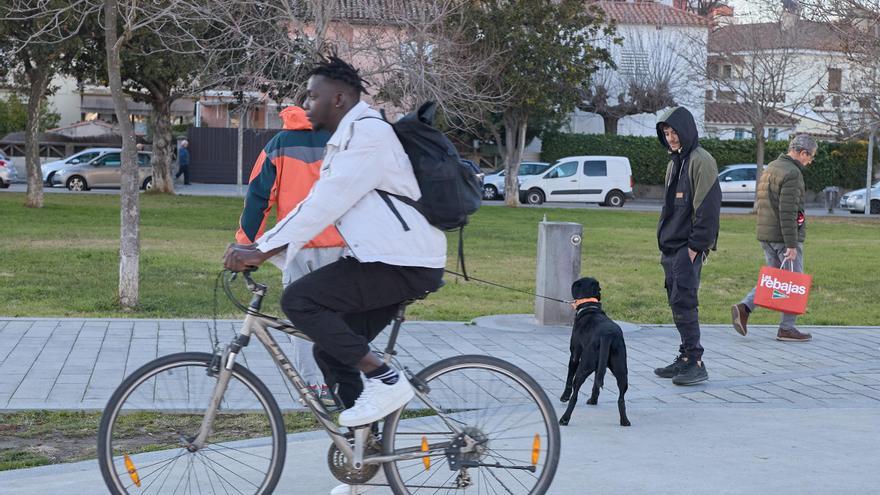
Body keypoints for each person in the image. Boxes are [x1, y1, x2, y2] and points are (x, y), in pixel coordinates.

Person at [223, 56, 446, 494]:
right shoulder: (346, 137)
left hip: (402, 261)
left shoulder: (368, 136)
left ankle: (386, 379)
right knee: (330, 351)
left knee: (301, 302)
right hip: (383, 258)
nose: (306, 100)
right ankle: (362, 458)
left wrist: (259, 248)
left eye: (313, 93)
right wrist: (265, 250)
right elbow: (315, 209)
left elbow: (325, 203)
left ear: (339, 98)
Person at [235, 105, 341, 404]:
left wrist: (246, 243)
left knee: (301, 317)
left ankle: (313, 385)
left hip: (298, 244)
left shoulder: (279, 145)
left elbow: (259, 197)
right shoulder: (338, 139)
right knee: (340, 316)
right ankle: (341, 380)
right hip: (343, 243)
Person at [653, 107, 721, 386]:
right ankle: (684, 356)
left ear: (687, 130)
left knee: (685, 302)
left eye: (674, 132)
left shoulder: (701, 161)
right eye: (666, 133)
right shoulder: (674, 162)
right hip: (671, 247)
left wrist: (696, 247)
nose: (670, 138)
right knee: (676, 301)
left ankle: (695, 361)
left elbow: (708, 207)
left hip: (687, 248)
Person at [731, 134, 817, 342]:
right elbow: (788, 211)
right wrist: (792, 244)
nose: (810, 161)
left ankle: (744, 308)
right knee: (794, 281)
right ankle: (786, 328)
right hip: (782, 236)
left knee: (774, 280)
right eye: (810, 156)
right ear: (802, 153)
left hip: (766, 234)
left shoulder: (771, 167)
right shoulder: (792, 173)